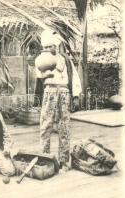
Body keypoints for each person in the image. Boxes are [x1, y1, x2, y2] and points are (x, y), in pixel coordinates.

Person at [37, 30, 82, 172]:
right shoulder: (42, 59)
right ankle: (45, 158)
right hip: (49, 92)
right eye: (47, 46)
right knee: (45, 125)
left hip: (64, 93)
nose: (50, 49)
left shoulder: (66, 60)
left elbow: (74, 77)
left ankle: (64, 161)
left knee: (64, 126)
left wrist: (75, 96)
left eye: (52, 46)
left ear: (57, 46)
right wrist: (45, 72)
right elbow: (39, 75)